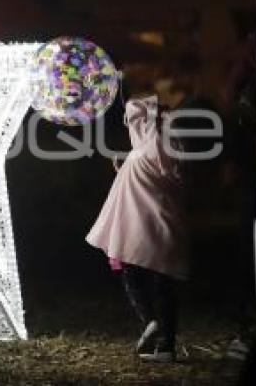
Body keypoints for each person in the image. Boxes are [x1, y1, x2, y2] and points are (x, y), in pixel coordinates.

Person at [86, 94, 188, 362]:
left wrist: (154, 103)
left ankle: (149, 320)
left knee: (131, 272)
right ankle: (166, 345)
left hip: (135, 229)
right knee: (162, 282)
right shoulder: (167, 149)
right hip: (164, 225)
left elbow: (133, 105)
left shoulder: (141, 148)